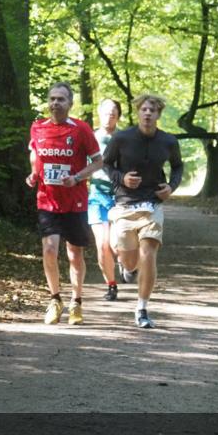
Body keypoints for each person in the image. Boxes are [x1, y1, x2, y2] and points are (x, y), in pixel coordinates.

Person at [101, 93, 184, 329]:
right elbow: (107, 164)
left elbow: (177, 167)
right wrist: (122, 178)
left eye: (152, 110)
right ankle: (128, 267)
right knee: (129, 258)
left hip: (152, 204)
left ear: (158, 115)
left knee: (149, 252)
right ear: (138, 112)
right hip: (125, 204)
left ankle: (142, 308)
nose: (148, 113)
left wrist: (171, 187)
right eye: (144, 109)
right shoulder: (121, 138)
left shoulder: (168, 141)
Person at [26, 83, 103, 326]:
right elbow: (34, 154)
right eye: (52, 99)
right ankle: (55, 299)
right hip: (47, 199)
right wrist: (33, 174)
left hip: (75, 201)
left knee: (74, 254)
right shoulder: (38, 128)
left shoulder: (80, 129)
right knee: (49, 249)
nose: (56, 103)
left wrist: (78, 177)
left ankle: (76, 301)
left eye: (61, 99)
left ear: (70, 103)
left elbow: (98, 161)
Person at [88, 98, 122, 301]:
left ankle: (126, 265)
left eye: (114, 111)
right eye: (106, 111)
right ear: (99, 113)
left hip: (121, 197)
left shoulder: (127, 138)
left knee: (118, 245)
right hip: (97, 196)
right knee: (102, 244)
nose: (110, 115)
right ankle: (111, 285)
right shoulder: (91, 138)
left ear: (118, 115)